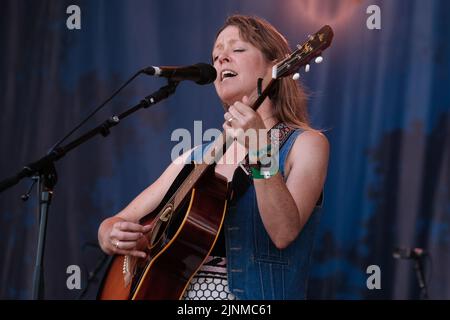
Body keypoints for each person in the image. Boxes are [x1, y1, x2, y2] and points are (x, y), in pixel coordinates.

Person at [98, 14, 329, 300]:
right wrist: (108, 234)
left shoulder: (306, 143)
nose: (221, 59)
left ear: (275, 65)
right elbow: (118, 222)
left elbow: (283, 233)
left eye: (237, 49)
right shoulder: (194, 157)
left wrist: (259, 149)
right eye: (216, 55)